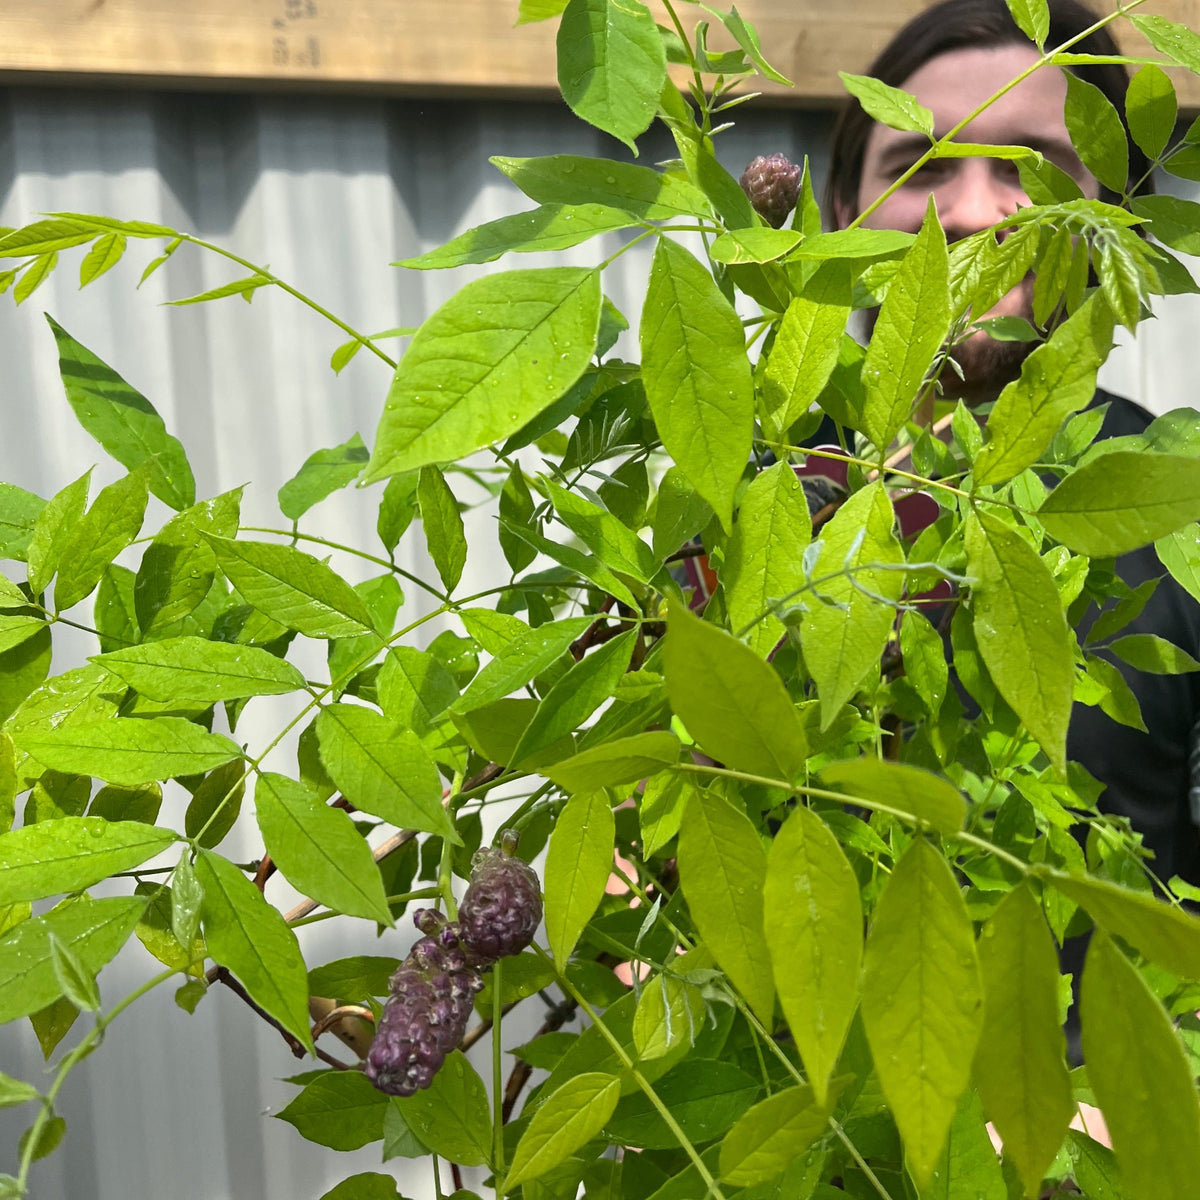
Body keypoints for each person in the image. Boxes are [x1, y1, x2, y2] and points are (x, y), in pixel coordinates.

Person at [820, 1, 1200, 901]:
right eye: (922, 164)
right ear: (844, 209)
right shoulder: (738, 485)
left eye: (1039, 171)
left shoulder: (1180, 509)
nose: (976, 211)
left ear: (1114, 222)